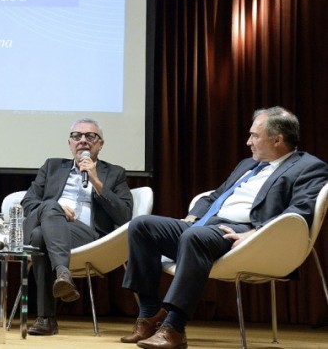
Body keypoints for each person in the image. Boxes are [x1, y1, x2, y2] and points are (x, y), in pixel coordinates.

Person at [121, 107, 328, 349]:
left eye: (254, 136)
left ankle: (174, 327)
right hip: (206, 224)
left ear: (277, 139)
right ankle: (148, 314)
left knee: (194, 237)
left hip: (242, 233)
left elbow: (299, 210)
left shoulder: (309, 167)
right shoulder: (248, 164)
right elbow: (214, 196)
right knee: (141, 225)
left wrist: (255, 233)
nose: (248, 141)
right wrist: (193, 215)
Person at [20, 118, 133, 336]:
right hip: (52, 227)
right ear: (69, 143)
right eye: (77, 136)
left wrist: (96, 181)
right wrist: (55, 208)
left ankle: (46, 319)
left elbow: (124, 214)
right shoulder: (51, 166)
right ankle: (63, 274)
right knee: (44, 224)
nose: (83, 141)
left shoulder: (114, 173)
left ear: (100, 144)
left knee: (37, 235)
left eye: (90, 136)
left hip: (90, 236)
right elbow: (28, 203)